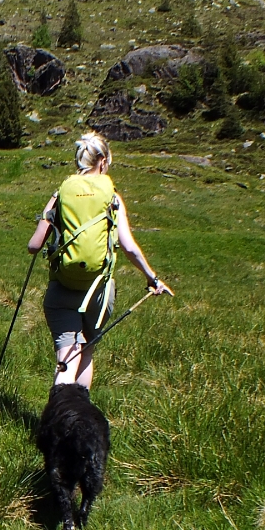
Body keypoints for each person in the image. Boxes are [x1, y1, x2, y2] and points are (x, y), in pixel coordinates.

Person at [27, 131, 173, 390]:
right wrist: (153, 278)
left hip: (62, 288)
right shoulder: (113, 198)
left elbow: (34, 245)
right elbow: (129, 247)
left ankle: (58, 419)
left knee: (65, 359)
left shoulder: (60, 194)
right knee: (86, 353)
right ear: (103, 161)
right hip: (99, 292)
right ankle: (79, 419)